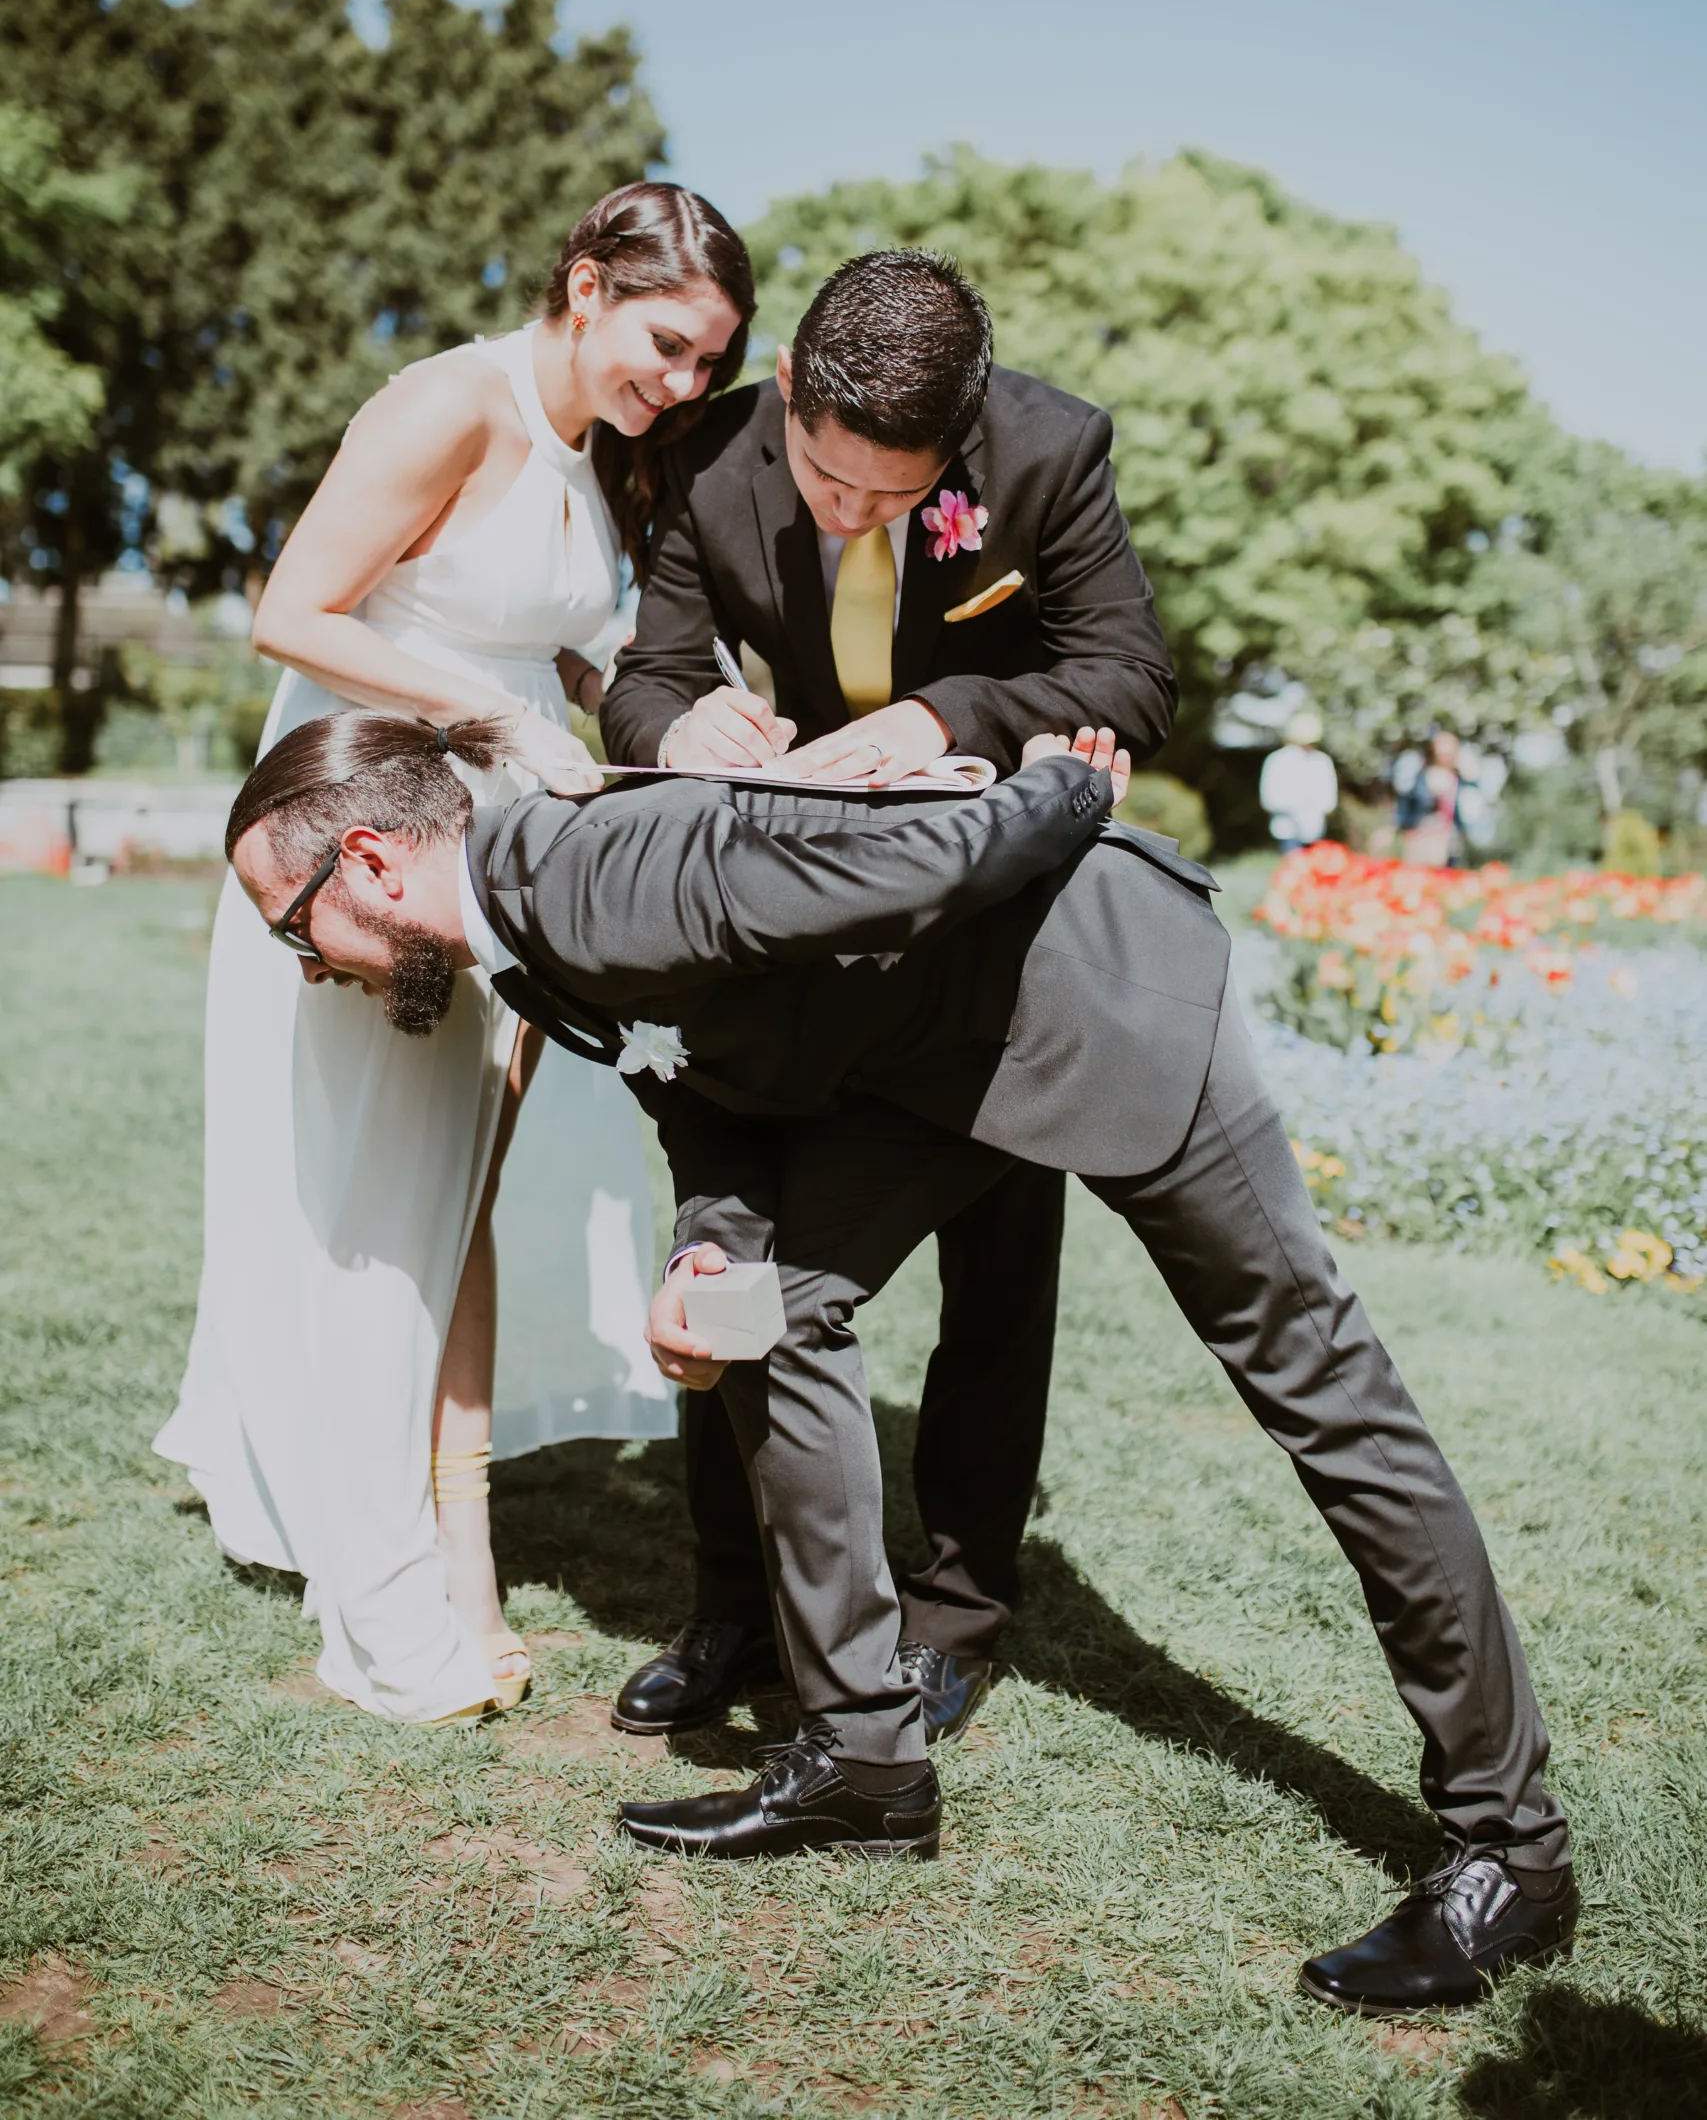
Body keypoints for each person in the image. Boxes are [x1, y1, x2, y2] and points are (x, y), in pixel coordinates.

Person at [222, 712, 1578, 2015]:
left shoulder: (595, 874)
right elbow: (696, 1082)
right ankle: (864, 1758)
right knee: (759, 1311)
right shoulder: (523, 930)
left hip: (1097, 987)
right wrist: (707, 1253)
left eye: (296, 928)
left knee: (1325, 1398)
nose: (305, 965)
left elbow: (907, 865)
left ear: (375, 863)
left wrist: (1066, 792)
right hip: (931, 1060)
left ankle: (1508, 1852)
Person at [154, 183, 755, 1724]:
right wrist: (488, 722)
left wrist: (680, 708)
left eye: (706, 362)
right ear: (582, 286)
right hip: (367, 844)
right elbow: (293, 612)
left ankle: (457, 1551)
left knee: (461, 1202)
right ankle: (388, 1599)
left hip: (498, 859)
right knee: (381, 1216)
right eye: (664, 344)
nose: (679, 386)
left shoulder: (590, 458)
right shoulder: (444, 404)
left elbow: (553, 642)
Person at [600, 248, 1176, 1743]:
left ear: (965, 435)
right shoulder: (709, 455)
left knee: (997, 1278)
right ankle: (733, 1602)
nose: (849, 515)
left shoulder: (1051, 451)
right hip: (778, 929)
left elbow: (1128, 676)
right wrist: (684, 726)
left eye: (891, 496)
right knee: (737, 1258)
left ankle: (960, 1605)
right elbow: (640, 679)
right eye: (824, 479)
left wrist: (950, 712)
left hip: (986, 940)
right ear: (786, 388)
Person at [1258, 709, 1338, 851]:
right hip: (1287, 829)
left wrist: (1315, 808)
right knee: (1294, 870)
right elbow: (1269, 798)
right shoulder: (1277, 760)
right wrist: (1296, 808)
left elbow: (1328, 797)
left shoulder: (1321, 760)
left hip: (1315, 830)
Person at [1395, 729, 1476, 868]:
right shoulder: (1420, 777)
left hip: (1448, 842)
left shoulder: (1461, 780)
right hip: (1420, 838)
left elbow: (1468, 810)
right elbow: (1408, 805)